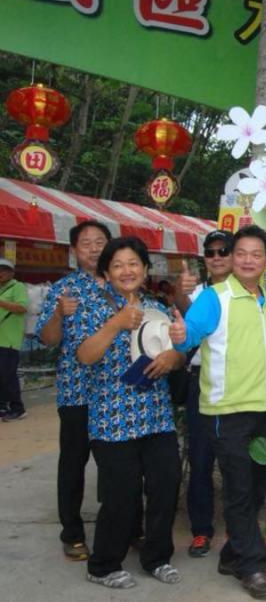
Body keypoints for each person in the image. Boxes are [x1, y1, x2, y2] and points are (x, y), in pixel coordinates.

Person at [170, 225, 266, 600]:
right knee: (238, 489)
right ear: (232, 259)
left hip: (264, 409)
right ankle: (252, 567)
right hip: (227, 410)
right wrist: (178, 332)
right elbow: (187, 337)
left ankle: (232, 554)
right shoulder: (215, 297)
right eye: (242, 253)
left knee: (258, 486)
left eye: (257, 254)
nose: (249, 260)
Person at [75, 237, 184, 589]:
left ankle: (157, 557)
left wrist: (175, 356)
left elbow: (175, 353)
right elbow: (84, 357)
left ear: (145, 269)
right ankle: (103, 564)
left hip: (156, 416)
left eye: (134, 263)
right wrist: (115, 324)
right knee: (120, 495)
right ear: (106, 272)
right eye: (118, 264)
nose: (127, 270)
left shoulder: (158, 308)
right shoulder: (91, 307)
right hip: (112, 420)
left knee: (165, 487)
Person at [35, 220, 112, 559]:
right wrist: (57, 314)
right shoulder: (63, 289)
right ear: (74, 251)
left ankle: (126, 526)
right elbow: (48, 338)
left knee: (118, 466)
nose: (94, 248)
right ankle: (72, 532)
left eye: (100, 241)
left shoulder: (123, 284)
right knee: (73, 464)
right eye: (86, 243)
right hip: (77, 393)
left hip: (118, 396)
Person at [173, 229, 235, 559]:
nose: (216, 257)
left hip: (241, 383)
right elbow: (186, 326)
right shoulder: (197, 293)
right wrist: (181, 297)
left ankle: (240, 530)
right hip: (202, 381)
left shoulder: (250, 293)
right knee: (200, 457)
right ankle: (201, 530)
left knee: (236, 460)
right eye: (210, 252)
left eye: (223, 250)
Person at [0, 257, 29, 422]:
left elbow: (22, 307)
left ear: (11, 272)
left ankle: (18, 408)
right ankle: (3, 406)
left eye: (4, 270)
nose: (0, 273)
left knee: (8, 375)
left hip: (9, 341)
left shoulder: (17, 287)